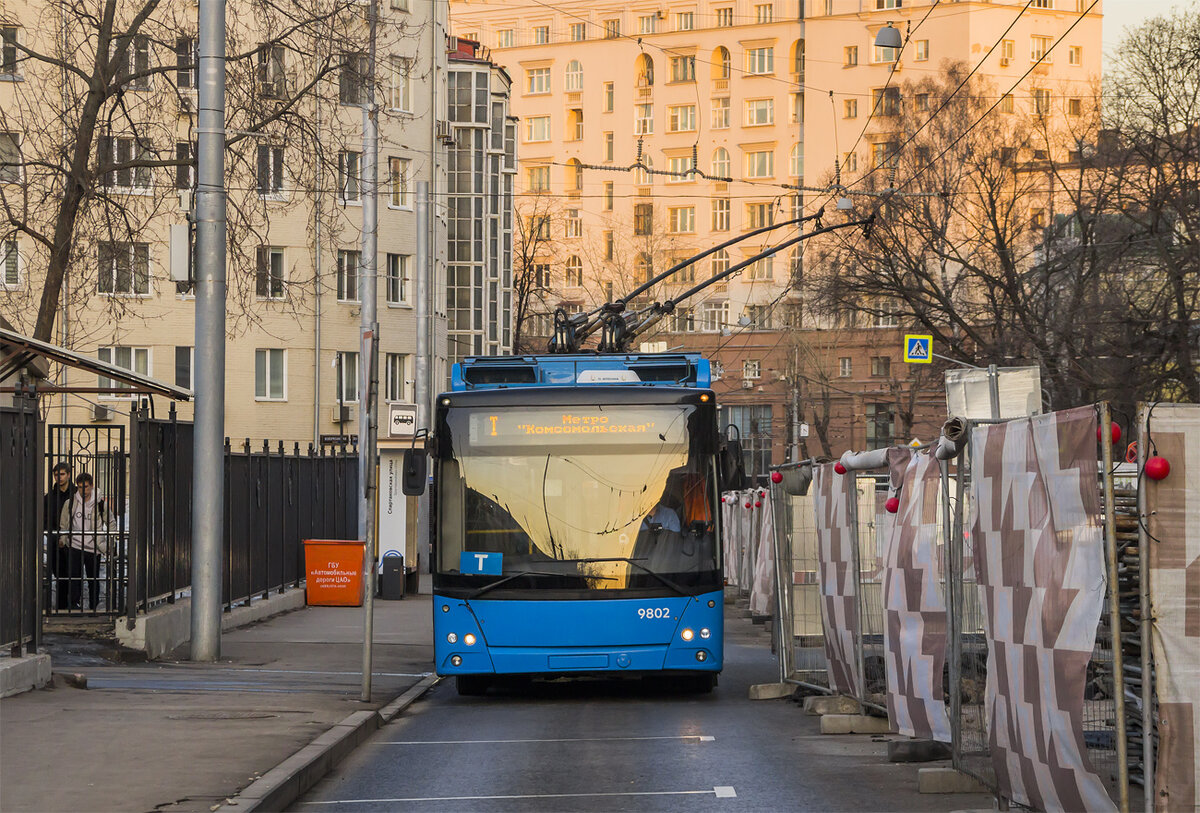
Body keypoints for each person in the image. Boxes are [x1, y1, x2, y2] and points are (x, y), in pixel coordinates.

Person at [59, 472, 115, 612]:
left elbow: (111, 523)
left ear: (92, 486)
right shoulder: (70, 502)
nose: (83, 491)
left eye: (86, 487)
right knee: (74, 578)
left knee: (93, 579)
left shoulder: (100, 504)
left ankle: (93, 607)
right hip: (75, 545)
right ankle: (73, 606)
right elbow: (64, 524)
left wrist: (110, 543)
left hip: (93, 547)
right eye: (79, 487)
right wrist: (63, 539)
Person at [44, 462, 76, 610]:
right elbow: (45, 520)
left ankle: (73, 604)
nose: (59, 477)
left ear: (69, 475)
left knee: (73, 574)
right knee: (59, 574)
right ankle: (62, 607)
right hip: (55, 541)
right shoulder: (49, 497)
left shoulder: (77, 495)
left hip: (75, 539)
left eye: (62, 474)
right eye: (56, 475)